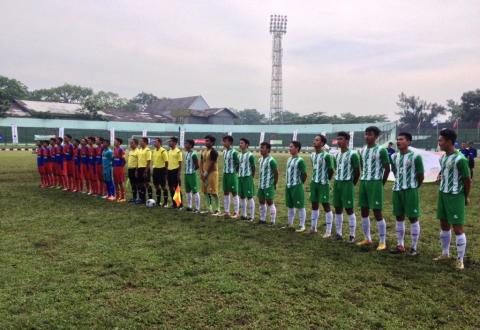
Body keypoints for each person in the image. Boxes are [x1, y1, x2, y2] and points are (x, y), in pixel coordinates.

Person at [435, 129, 471, 270]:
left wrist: (466, 196)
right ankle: (445, 253)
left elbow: (467, 180)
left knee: (458, 228)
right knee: (444, 225)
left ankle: (460, 260)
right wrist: (440, 178)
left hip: (455, 196)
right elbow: (444, 172)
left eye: (441, 140)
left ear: (449, 142)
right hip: (443, 194)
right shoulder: (443, 157)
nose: (439, 142)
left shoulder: (460, 159)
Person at [390, 132, 424, 255]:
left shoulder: (416, 156)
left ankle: (414, 247)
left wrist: (414, 186)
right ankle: (400, 245)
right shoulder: (394, 156)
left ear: (409, 142)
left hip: (410, 190)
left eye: (401, 139)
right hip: (397, 189)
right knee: (399, 217)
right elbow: (394, 171)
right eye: (397, 139)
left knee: (413, 218)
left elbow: (421, 175)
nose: (398, 141)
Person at [357, 126, 390, 250]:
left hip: (375, 183)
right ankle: (367, 238)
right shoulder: (362, 150)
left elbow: (387, 168)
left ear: (376, 136)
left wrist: (381, 183)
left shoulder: (381, 150)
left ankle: (382, 241)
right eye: (366, 134)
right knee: (364, 211)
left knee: (377, 212)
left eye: (370, 134)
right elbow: (362, 165)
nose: (367, 136)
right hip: (364, 182)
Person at [333, 132, 360, 243]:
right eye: (338, 139)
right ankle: (339, 233)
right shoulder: (336, 155)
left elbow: (357, 172)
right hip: (337, 183)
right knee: (338, 208)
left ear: (347, 141)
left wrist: (351, 184)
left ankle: (352, 235)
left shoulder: (353, 154)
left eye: (341, 139)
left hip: (347, 183)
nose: (339, 141)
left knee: (349, 209)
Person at [309, 134, 335, 236]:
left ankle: (328, 231)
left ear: (322, 143)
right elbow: (314, 168)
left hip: (323, 184)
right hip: (314, 183)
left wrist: (326, 180)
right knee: (314, 205)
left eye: (317, 140)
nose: (314, 141)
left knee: (326, 205)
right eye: (314, 140)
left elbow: (331, 170)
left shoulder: (327, 156)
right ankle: (313, 228)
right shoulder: (312, 155)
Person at [282, 141, 307, 232]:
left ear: (297, 148)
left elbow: (304, 174)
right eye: (289, 146)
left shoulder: (300, 160)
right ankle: (290, 223)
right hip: (288, 186)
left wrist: (300, 183)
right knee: (290, 206)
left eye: (291, 147)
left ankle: (302, 225)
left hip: (296, 186)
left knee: (300, 206)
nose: (290, 148)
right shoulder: (289, 159)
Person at [257, 142, 278, 225]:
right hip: (261, 184)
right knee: (261, 201)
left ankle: (273, 221)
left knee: (269, 201)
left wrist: (274, 184)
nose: (261, 149)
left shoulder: (271, 161)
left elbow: (276, 173)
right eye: (260, 147)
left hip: (268, 185)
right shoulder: (260, 159)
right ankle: (262, 219)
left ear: (268, 150)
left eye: (263, 148)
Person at [200, 135, 220, 215]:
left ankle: (217, 209)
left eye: (208, 141)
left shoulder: (214, 152)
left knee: (213, 192)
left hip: (212, 173)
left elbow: (212, 163)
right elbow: (201, 162)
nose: (206, 142)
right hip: (204, 174)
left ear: (212, 142)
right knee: (205, 192)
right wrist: (201, 172)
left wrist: (205, 173)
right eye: (206, 141)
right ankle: (209, 209)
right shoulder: (203, 151)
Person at [221, 135, 240, 218]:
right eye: (223, 141)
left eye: (225, 141)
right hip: (225, 174)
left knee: (234, 193)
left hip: (232, 174)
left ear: (230, 142)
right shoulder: (224, 152)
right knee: (225, 192)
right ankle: (227, 211)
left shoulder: (234, 152)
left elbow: (238, 163)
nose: (224, 143)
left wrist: (235, 172)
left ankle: (236, 212)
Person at [238, 137, 256, 221]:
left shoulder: (250, 155)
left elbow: (253, 167)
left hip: (247, 177)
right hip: (240, 177)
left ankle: (251, 216)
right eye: (240, 143)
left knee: (249, 196)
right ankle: (243, 214)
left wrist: (251, 176)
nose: (240, 144)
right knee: (241, 196)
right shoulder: (239, 155)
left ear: (246, 145)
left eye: (242, 143)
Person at [184, 139, 201, 212]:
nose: (185, 145)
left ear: (190, 145)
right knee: (188, 191)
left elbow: (197, 165)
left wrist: (192, 170)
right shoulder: (186, 153)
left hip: (192, 175)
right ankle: (189, 206)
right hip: (186, 174)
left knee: (195, 191)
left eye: (186, 143)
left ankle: (197, 208)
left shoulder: (193, 154)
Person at [152, 138, 169, 207]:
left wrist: (165, 172)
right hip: (155, 170)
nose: (154, 143)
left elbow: (166, 162)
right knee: (156, 186)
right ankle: (158, 202)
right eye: (154, 142)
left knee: (163, 187)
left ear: (159, 143)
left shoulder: (163, 151)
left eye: (155, 142)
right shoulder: (154, 151)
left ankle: (165, 203)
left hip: (162, 170)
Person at [167, 137, 183, 209]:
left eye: (170, 141)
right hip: (169, 171)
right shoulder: (169, 151)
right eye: (169, 141)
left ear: (175, 143)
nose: (169, 143)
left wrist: (179, 173)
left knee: (176, 188)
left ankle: (179, 204)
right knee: (170, 187)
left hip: (175, 171)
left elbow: (180, 163)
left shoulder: (178, 151)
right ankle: (174, 203)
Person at [137, 137, 152, 204]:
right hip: (139, 168)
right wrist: (137, 170)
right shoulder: (140, 150)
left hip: (145, 168)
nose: (140, 143)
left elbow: (148, 161)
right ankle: (142, 198)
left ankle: (150, 199)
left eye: (141, 141)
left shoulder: (148, 150)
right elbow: (138, 160)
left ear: (145, 142)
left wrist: (146, 171)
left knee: (146, 184)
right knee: (140, 184)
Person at [113, 138, 126, 202]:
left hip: (120, 168)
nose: (114, 142)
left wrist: (121, 166)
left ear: (119, 143)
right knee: (115, 182)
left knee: (120, 182)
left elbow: (124, 160)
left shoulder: (121, 149)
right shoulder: (115, 149)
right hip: (115, 167)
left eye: (115, 141)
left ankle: (123, 197)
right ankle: (117, 196)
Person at [127, 138, 139, 203]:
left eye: (132, 143)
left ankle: (137, 197)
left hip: (135, 169)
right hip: (130, 169)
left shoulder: (138, 151)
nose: (130, 144)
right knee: (132, 184)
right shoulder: (130, 151)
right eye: (130, 143)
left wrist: (136, 171)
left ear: (136, 144)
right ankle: (134, 197)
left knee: (136, 184)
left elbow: (138, 161)